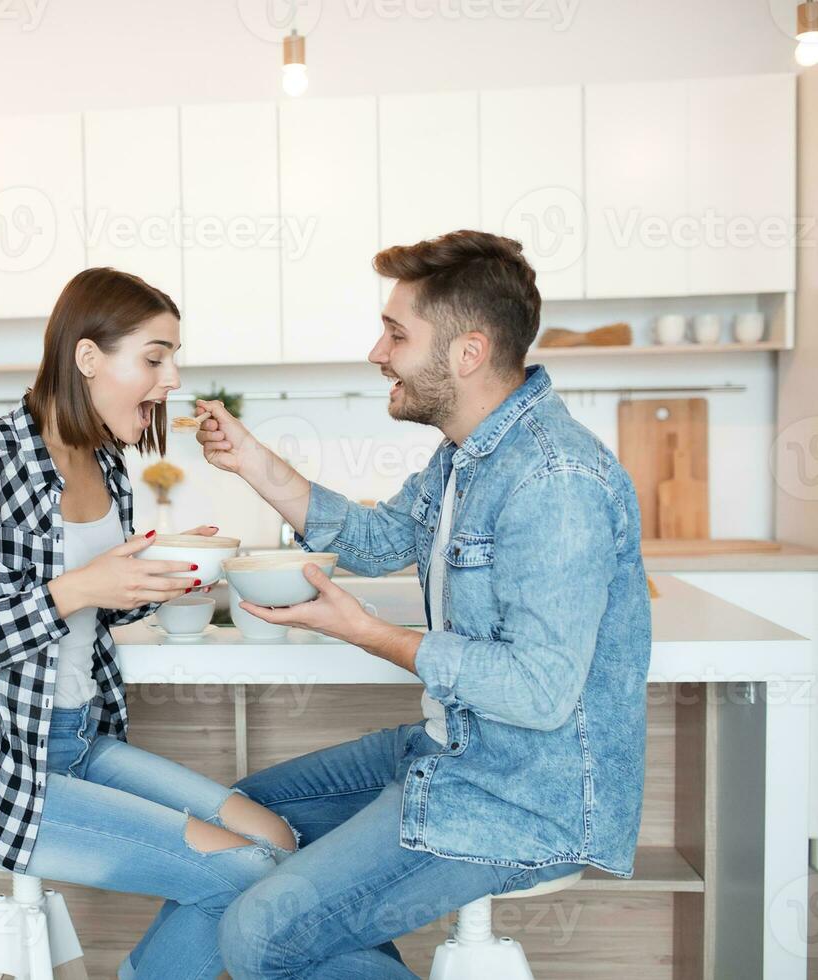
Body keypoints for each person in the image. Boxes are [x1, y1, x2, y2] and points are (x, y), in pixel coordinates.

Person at [195, 230, 652, 978]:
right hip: (449, 752)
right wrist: (252, 460)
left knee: (261, 934)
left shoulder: (553, 480)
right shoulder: (466, 458)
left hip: (519, 796)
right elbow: (376, 540)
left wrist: (372, 634)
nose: (379, 353)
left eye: (396, 333)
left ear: (468, 353)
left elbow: (538, 692)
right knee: (238, 820)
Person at [0, 267, 298, 980]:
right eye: (154, 358)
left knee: (276, 838)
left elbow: (102, 602)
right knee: (248, 874)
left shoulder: (108, 466)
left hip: (81, 743)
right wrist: (76, 586)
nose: (173, 378)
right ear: (88, 357)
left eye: (173, 358)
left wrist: (169, 575)